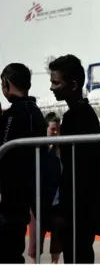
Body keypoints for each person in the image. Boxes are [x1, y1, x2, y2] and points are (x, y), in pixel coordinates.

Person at [49, 54, 100, 263]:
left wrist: (63, 210)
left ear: (72, 85)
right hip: (81, 207)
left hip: (77, 210)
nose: (52, 88)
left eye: (56, 82)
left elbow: (77, 169)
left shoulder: (77, 117)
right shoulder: (82, 113)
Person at [0, 63, 47, 263]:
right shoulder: (34, 111)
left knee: (7, 250)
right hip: (24, 193)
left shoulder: (16, 113)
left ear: (7, 84)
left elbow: (4, 146)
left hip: (14, 194)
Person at [28, 112, 63, 264]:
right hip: (38, 204)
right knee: (35, 246)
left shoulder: (63, 151)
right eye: (52, 129)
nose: (56, 133)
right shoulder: (36, 150)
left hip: (57, 205)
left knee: (57, 244)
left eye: (57, 129)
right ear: (45, 129)